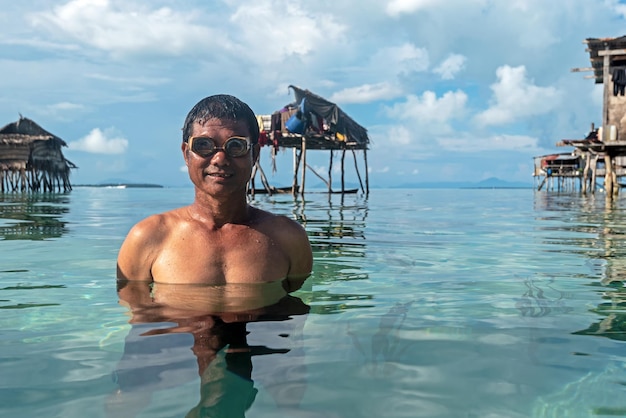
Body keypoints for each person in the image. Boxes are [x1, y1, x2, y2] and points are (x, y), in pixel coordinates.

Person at [117, 94, 313, 292]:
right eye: (204, 145)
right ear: (186, 153)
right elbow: (139, 318)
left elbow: (297, 312)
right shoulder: (148, 237)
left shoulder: (288, 239)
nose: (220, 158)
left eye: (236, 146)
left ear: (255, 154)